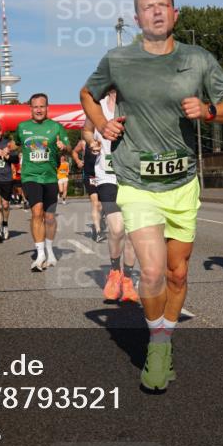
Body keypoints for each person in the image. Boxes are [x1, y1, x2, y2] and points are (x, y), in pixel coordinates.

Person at [81, 0, 223, 392]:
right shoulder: (119, 59)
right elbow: (87, 92)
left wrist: (208, 111)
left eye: (163, 6)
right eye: (148, 7)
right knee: (151, 271)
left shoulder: (199, 59)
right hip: (136, 180)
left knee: (177, 273)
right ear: (137, 19)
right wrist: (103, 125)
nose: (156, 12)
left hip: (182, 181)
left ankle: (165, 336)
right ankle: (156, 344)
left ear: (175, 14)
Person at [85, 87, 139, 303]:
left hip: (133, 177)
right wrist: (91, 143)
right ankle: (115, 271)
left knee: (133, 232)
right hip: (107, 176)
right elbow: (87, 130)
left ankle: (127, 279)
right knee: (117, 228)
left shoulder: (136, 103)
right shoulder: (98, 107)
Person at [17, 93, 69, 271]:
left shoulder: (56, 127)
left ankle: (49, 249)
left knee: (50, 217)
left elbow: (69, 147)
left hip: (50, 177)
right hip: (30, 176)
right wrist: (6, 150)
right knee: (37, 212)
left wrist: (64, 147)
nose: (39, 110)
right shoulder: (22, 127)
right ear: (30, 109)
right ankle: (39, 255)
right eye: (35, 107)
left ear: (47, 107)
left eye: (42, 106)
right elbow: (16, 143)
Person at [73, 137, 103, 241]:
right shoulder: (83, 143)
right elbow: (74, 152)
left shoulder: (105, 140)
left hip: (104, 176)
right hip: (90, 176)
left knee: (103, 205)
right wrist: (78, 161)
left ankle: (97, 224)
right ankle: (98, 231)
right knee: (96, 203)